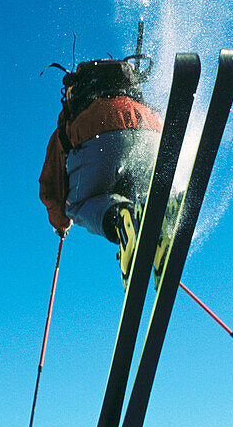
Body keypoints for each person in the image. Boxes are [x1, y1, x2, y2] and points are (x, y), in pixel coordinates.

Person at [39, 53, 173, 284]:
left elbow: (52, 186)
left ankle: (121, 220)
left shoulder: (74, 115)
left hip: (98, 133)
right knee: (137, 194)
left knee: (79, 205)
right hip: (151, 131)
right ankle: (163, 220)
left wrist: (61, 223)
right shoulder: (136, 99)